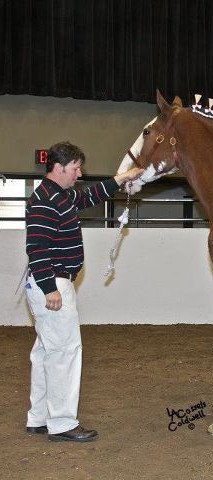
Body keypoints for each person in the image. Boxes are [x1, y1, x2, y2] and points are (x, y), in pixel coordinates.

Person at [24, 141, 143, 442]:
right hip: (52, 284)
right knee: (64, 352)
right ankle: (62, 423)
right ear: (60, 167)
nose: (79, 174)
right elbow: (36, 247)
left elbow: (89, 195)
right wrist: (50, 288)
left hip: (48, 282)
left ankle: (38, 418)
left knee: (46, 353)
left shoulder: (57, 196)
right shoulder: (45, 201)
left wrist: (122, 178)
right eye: (76, 168)